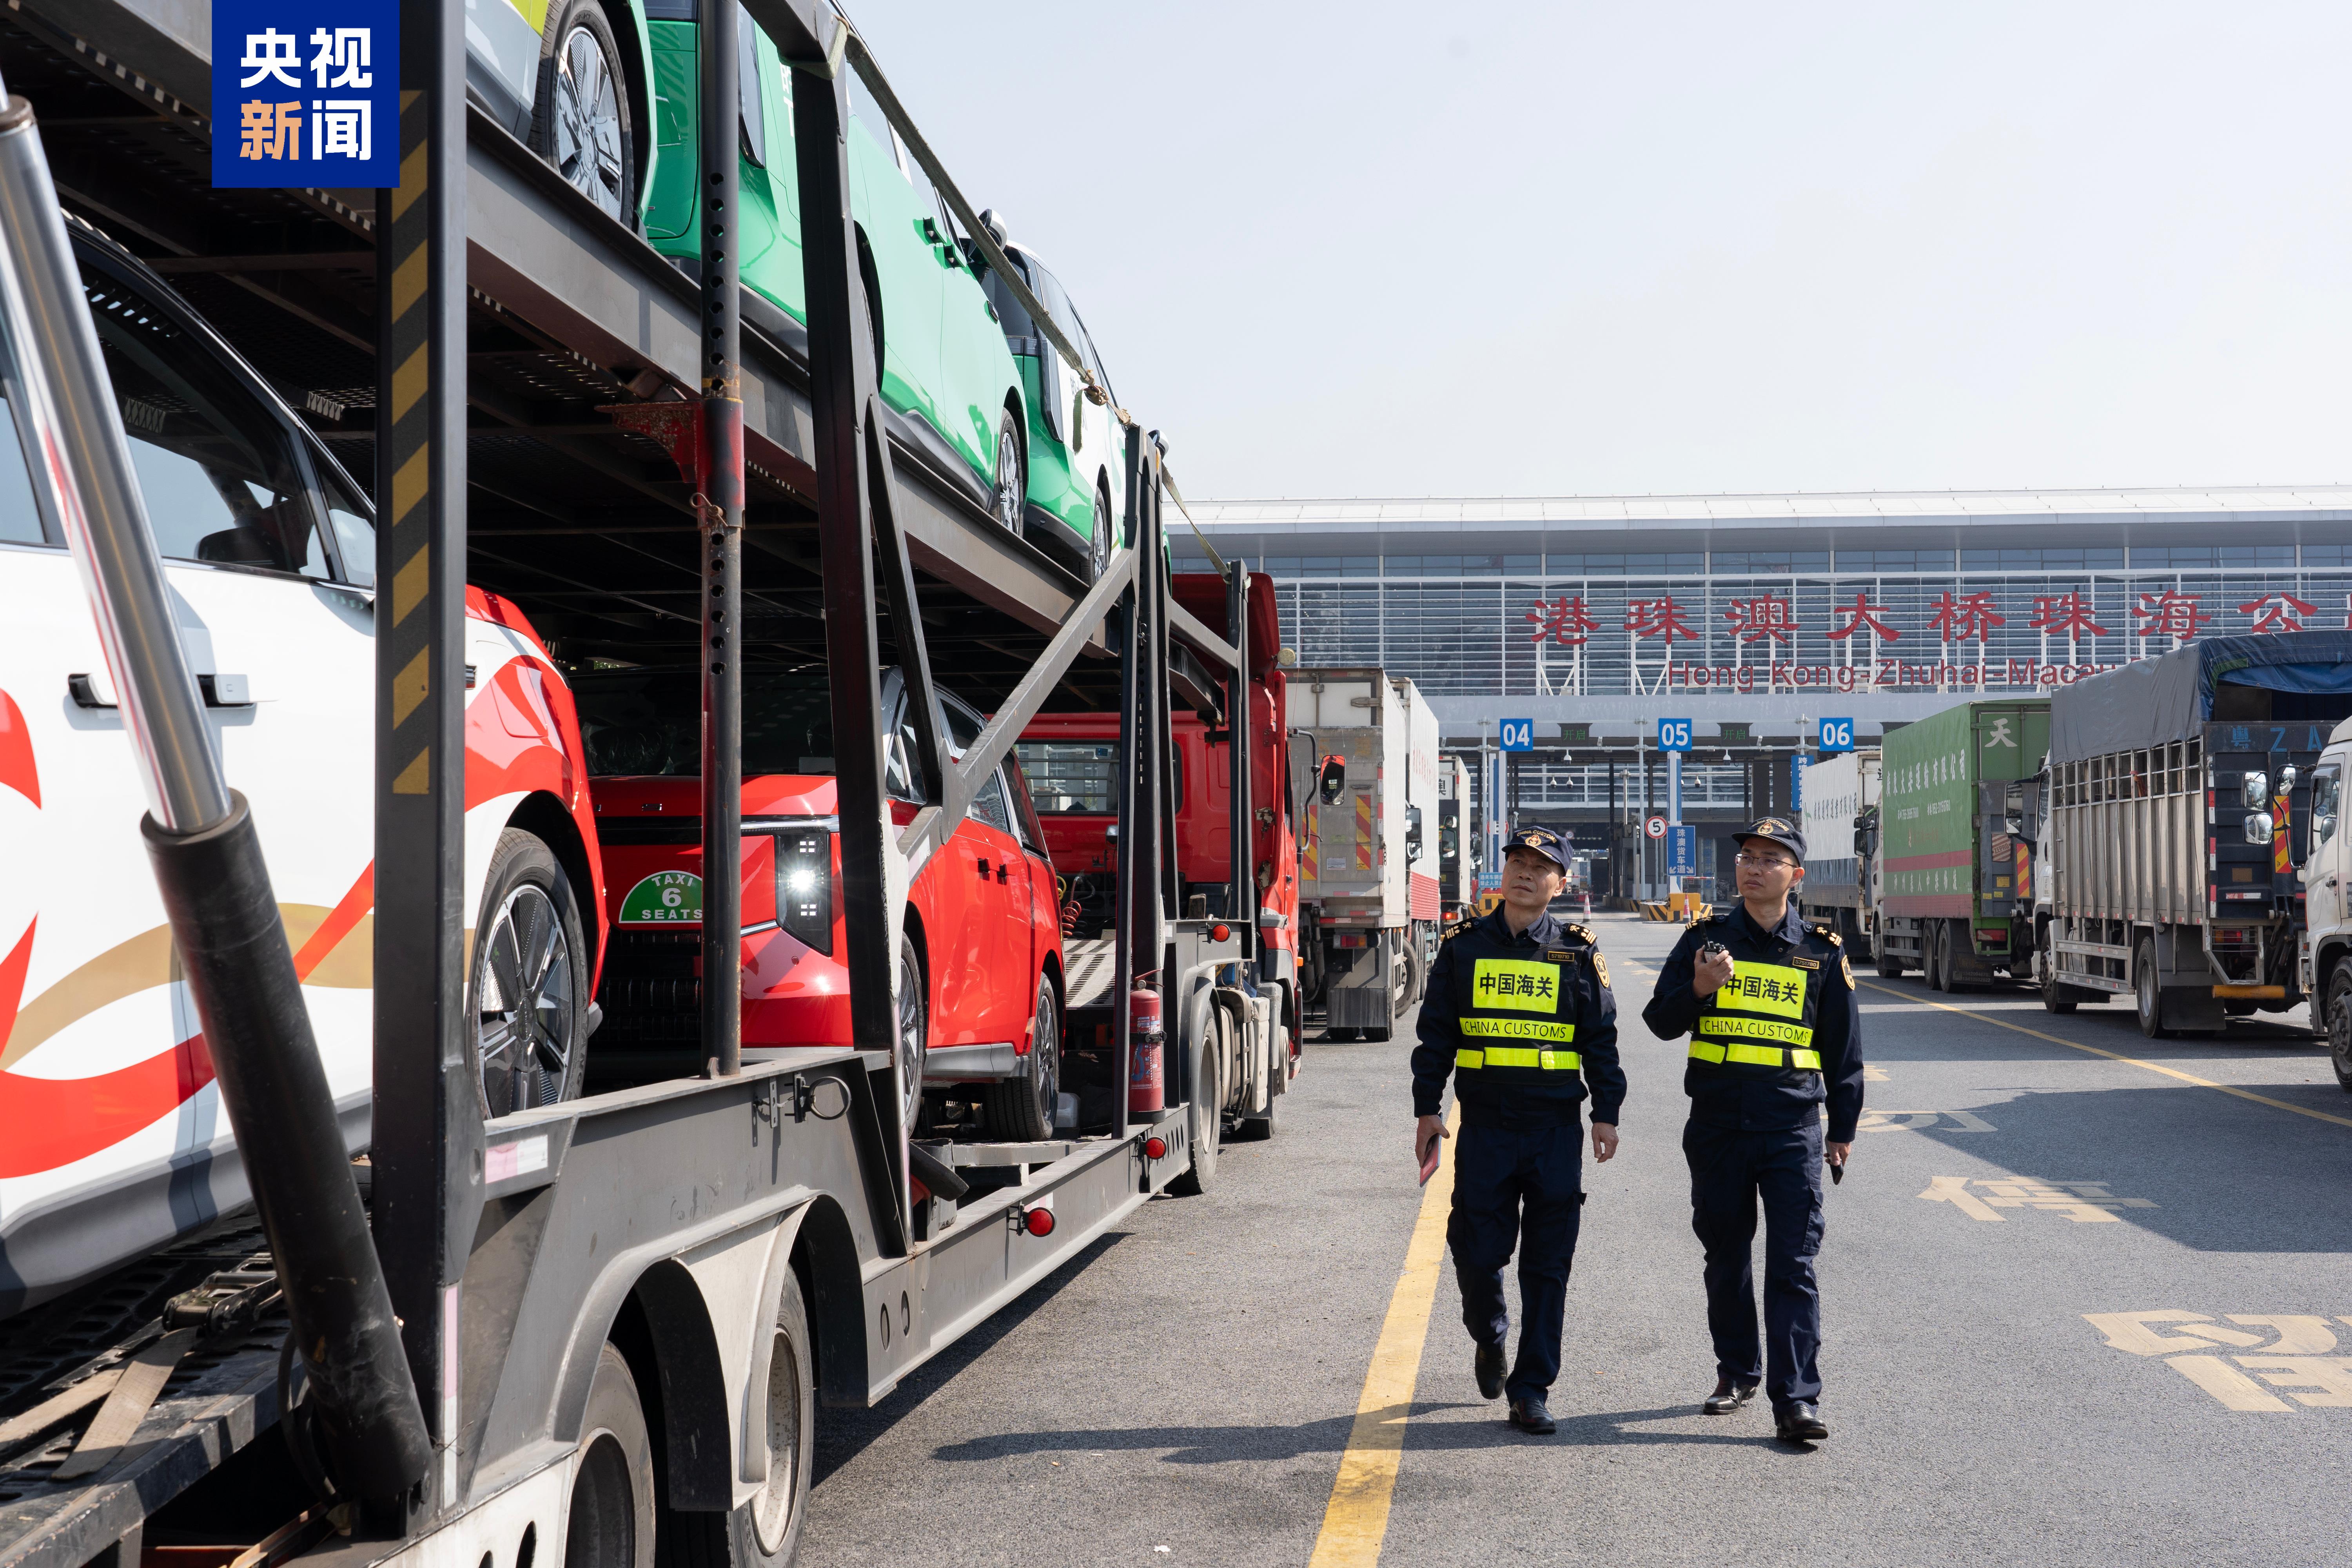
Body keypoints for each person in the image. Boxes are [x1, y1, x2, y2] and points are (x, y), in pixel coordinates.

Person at [1642, 817, 1863, 1443]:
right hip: (1717, 1128)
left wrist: (1842, 1129)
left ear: (1797, 875)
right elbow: (1659, 1021)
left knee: (1793, 1263)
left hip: (1792, 1129)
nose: (1754, 868)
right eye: (1747, 858)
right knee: (1726, 1257)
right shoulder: (1704, 941)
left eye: (1770, 859)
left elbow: (1844, 1050)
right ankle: (1737, 1371)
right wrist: (1698, 988)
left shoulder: (1822, 951)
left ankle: (1796, 1401)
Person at [1411, 826, 1623, 1435]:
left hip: (1554, 1130)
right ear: (1502, 874)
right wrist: (1428, 1108)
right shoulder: (1464, 947)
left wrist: (1606, 1112)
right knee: (1476, 1253)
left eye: (1540, 867)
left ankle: (1531, 1390)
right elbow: (1436, 1035)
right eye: (1517, 863)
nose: (1525, 874)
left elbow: (1600, 1040)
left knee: (1548, 1267)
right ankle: (1490, 1333)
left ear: (1562, 883)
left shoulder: (1577, 952)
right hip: (1485, 1129)